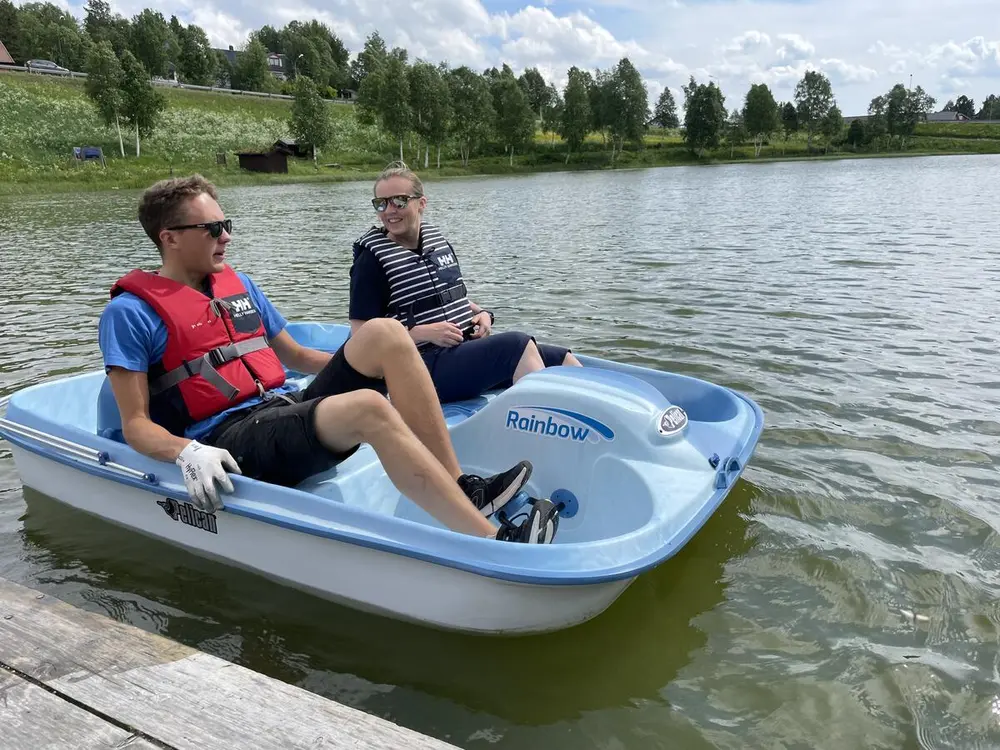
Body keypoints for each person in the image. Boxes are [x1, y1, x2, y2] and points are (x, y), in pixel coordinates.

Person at [97, 174, 559, 545]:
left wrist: (374, 363)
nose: (227, 237)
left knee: (385, 332)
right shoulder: (130, 314)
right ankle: (496, 540)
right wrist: (187, 452)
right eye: (213, 229)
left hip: (279, 409)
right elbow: (135, 423)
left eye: (227, 224)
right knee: (369, 407)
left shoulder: (239, 287)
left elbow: (296, 356)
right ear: (170, 238)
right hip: (227, 439)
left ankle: (464, 489)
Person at [348, 162, 582, 405]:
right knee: (515, 346)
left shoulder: (435, 243)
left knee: (558, 358)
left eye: (399, 201)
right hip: (415, 369)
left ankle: (593, 419)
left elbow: (445, 297)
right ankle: (544, 425)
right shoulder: (371, 262)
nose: (389, 210)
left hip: (457, 351)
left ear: (422, 203)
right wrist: (419, 333)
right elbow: (360, 337)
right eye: (381, 203)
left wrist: (482, 313)